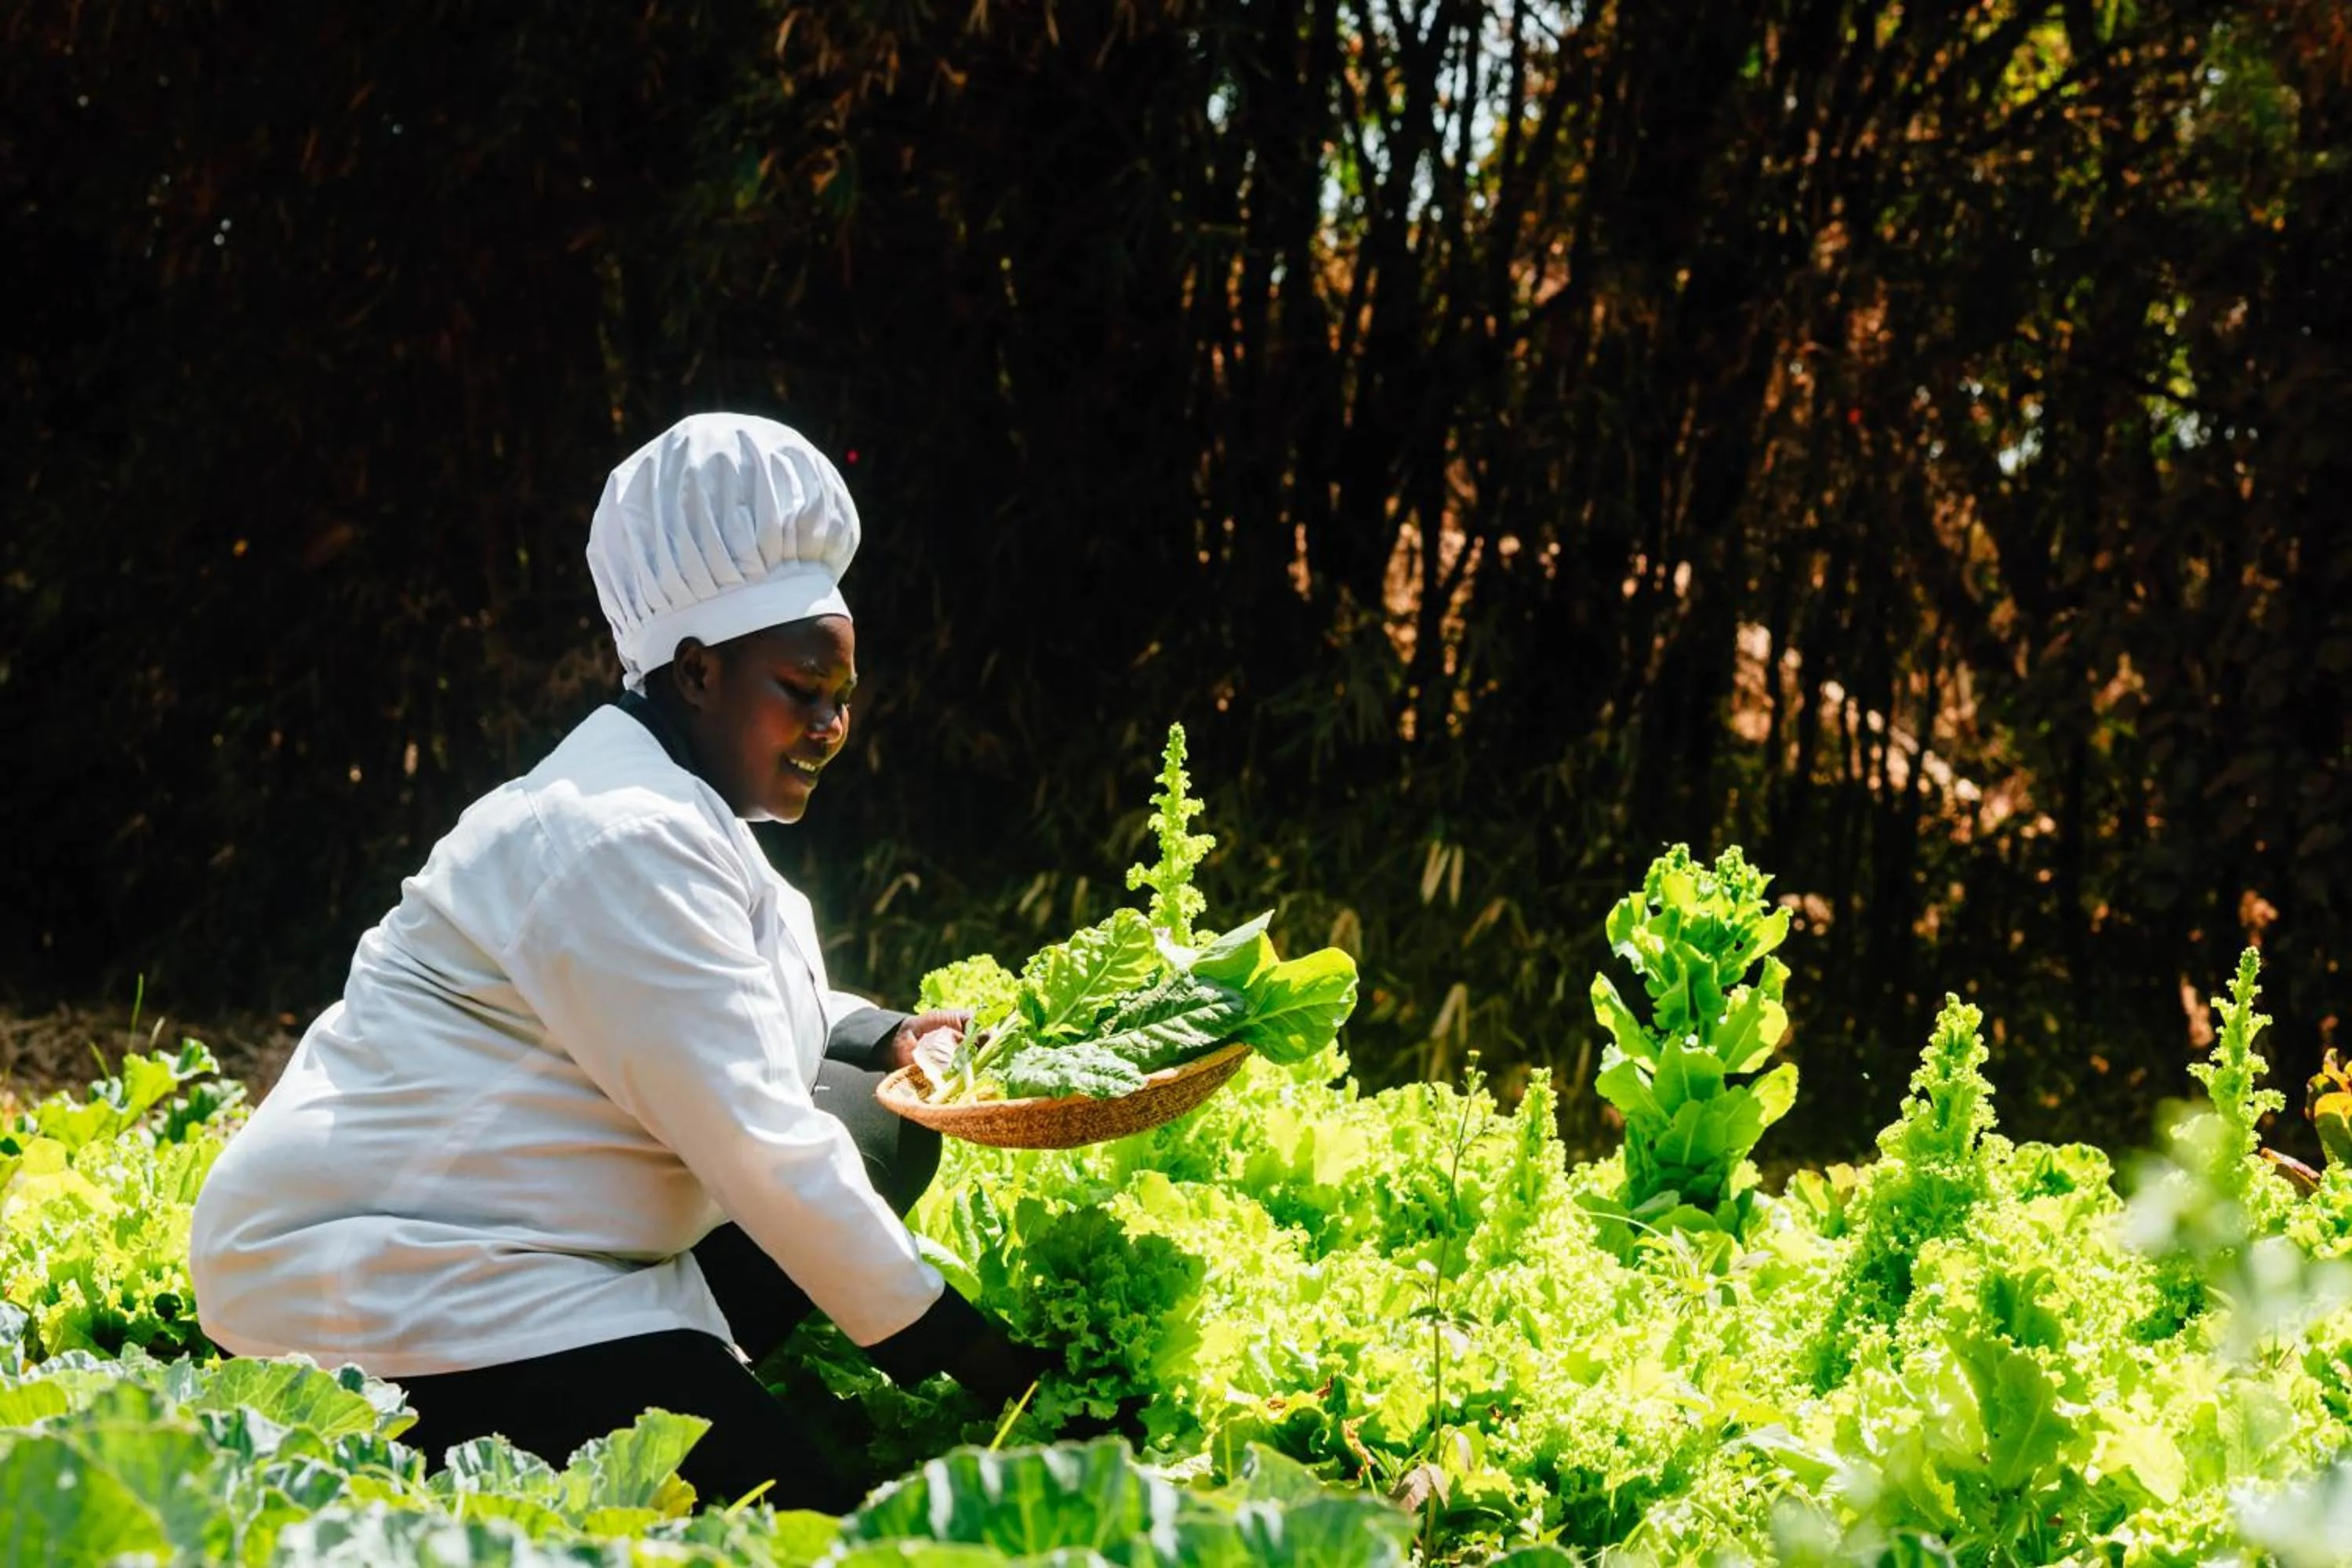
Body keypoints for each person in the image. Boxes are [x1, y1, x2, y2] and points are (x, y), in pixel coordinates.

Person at [189, 412, 1049, 1512]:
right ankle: (553, 1403)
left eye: (843, 693)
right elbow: (763, 1150)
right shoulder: (614, 835)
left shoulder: (666, 803)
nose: (834, 724)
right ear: (697, 672)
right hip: (390, 1284)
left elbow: (725, 998)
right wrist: (988, 1365)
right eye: (803, 688)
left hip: (531, 1241)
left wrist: (891, 1033)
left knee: (872, 1112)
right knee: (804, 1527)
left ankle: (647, 1371)